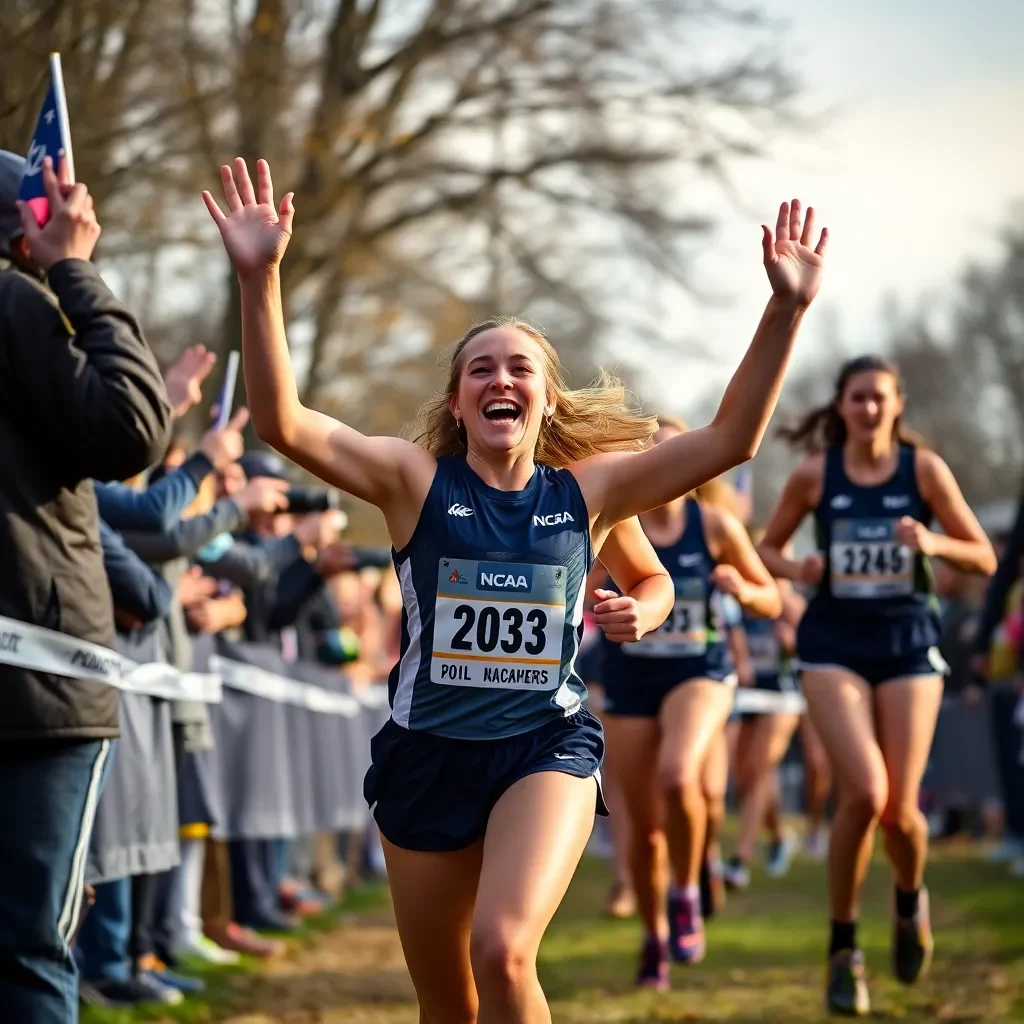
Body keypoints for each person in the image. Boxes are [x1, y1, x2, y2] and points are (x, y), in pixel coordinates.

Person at [202, 156, 826, 1022]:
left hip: (543, 746)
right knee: (448, 1002)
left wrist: (785, 309)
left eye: (521, 368)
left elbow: (729, 443)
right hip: (427, 756)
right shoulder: (412, 483)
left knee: (503, 949)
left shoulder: (591, 491)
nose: (502, 379)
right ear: (458, 403)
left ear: (545, 398)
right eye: (482, 369)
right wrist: (259, 278)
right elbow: (285, 424)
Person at [757, 354, 996, 1016]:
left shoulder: (923, 471)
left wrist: (932, 544)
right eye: (856, 398)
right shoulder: (814, 475)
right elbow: (764, 550)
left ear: (898, 405)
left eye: (878, 398)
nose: (867, 409)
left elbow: (983, 554)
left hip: (906, 644)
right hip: (833, 645)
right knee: (863, 791)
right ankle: (843, 948)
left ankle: (908, 897)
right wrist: (798, 568)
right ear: (841, 406)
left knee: (901, 812)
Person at [0, 151, 172, 1023]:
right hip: (38, 688)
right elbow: (132, 428)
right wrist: (76, 272)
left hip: (37, 671)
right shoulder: (17, 302)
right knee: (28, 947)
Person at [599, 416, 782, 987]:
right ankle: (654, 935)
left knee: (682, 775)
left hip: (700, 672)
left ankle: (685, 890)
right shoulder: (612, 524)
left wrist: (744, 589)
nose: (663, 462)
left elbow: (771, 601)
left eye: (674, 451)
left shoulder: (718, 527)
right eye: (650, 452)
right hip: (629, 681)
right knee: (644, 830)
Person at [723, 541, 804, 890]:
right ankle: (780, 836)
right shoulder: (738, 597)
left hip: (782, 696)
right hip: (747, 694)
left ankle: (740, 859)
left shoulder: (786, 601)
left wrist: (794, 643)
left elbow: (819, 640)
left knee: (757, 770)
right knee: (746, 778)